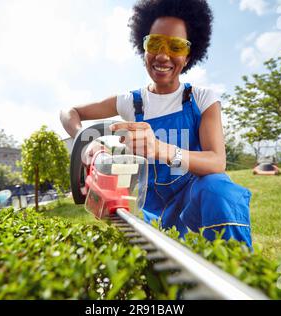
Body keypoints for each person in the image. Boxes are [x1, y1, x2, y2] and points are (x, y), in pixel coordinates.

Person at [60, 0, 252, 248]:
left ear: (188, 55)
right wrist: (86, 139)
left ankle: (235, 267)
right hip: (151, 215)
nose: (163, 55)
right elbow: (69, 112)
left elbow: (217, 161)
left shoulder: (202, 99)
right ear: (143, 46)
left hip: (195, 209)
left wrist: (160, 149)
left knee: (219, 189)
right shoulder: (131, 102)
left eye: (175, 46)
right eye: (155, 43)